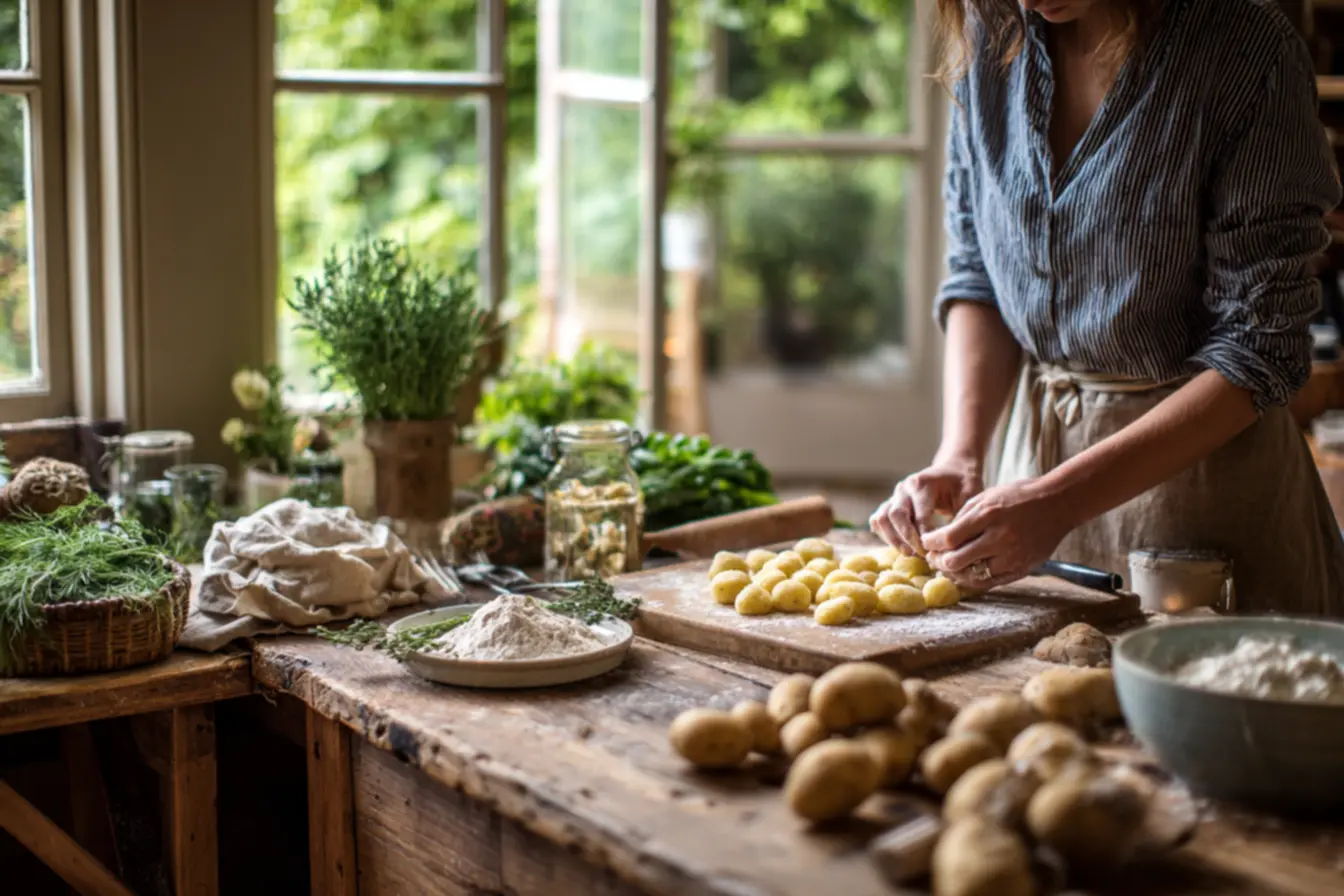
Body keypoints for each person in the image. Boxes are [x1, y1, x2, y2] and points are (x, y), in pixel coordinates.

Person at [869, 0, 1344, 614]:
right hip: (1028, 468)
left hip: (1205, 493)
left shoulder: (1243, 48)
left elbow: (1260, 349)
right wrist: (960, 454)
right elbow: (978, 274)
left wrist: (1058, 502)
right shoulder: (992, 33)